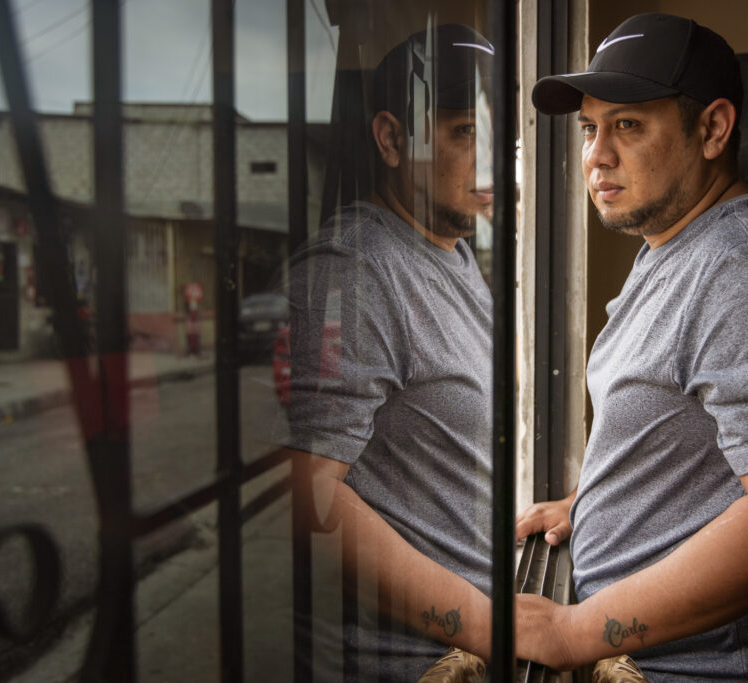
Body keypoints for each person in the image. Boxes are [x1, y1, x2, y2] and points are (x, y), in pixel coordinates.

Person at [513, 12, 748, 680]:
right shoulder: (675, 245)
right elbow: (695, 426)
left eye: (628, 125)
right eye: (589, 127)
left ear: (713, 128)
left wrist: (576, 630)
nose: (597, 154)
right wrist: (605, 498)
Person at [277, 24, 496, 682]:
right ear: (393, 139)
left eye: (496, 132)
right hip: (415, 664)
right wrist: (497, 624)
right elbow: (311, 500)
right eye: (464, 133)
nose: (490, 162)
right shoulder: (353, 272)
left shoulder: (453, 248)